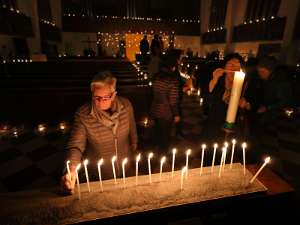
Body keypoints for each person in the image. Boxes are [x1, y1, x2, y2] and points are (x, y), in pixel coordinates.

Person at [61, 71, 138, 194]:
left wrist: (134, 143)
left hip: (125, 167)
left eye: (105, 97)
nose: (100, 102)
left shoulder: (126, 105)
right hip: (99, 173)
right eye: (97, 97)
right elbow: (76, 145)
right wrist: (71, 169)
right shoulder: (83, 114)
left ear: (113, 95)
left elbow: (132, 127)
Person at [204, 53, 244, 141]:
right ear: (224, 66)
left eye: (237, 65)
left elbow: (247, 102)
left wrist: (245, 104)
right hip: (215, 120)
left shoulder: (243, 83)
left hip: (232, 123)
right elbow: (207, 97)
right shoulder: (219, 80)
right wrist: (214, 79)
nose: (234, 67)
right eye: (231, 64)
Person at [151, 53, 180, 154]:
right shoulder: (172, 80)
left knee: (159, 132)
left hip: (155, 108)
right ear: (172, 67)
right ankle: (163, 154)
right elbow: (173, 100)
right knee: (165, 135)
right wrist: (176, 114)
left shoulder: (156, 76)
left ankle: (157, 149)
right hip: (166, 112)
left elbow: (154, 93)